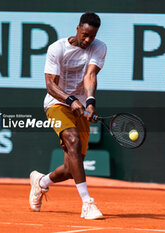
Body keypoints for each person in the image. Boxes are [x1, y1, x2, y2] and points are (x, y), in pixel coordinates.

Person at [29, 12, 107, 220]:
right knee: (72, 141)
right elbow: (50, 85)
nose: (88, 40)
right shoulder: (57, 49)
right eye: (85, 35)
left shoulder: (99, 47)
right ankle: (87, 203)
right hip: (56, 104)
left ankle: (41, 182)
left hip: (80, 106)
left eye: (92, 36)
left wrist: (90, 101)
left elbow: (90, 75)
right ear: (78, 29)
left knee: (72, 168)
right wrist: (71, 100)